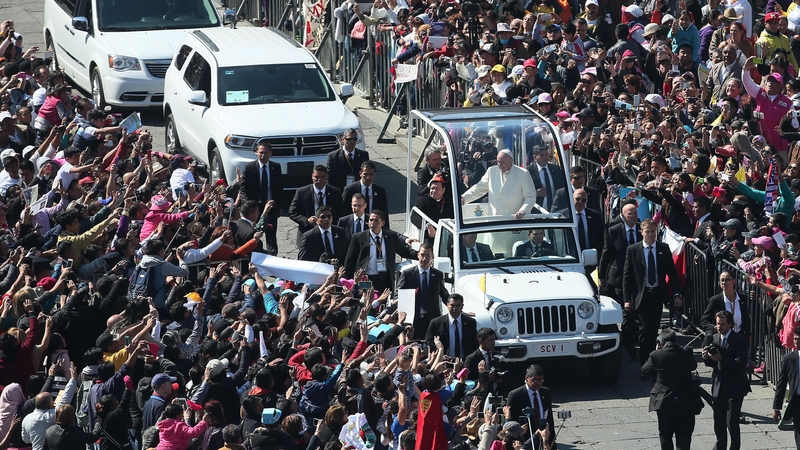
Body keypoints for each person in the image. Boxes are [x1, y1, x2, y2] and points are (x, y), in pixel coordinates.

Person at [622, 219, 682, 367]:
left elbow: (672, 273)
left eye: (653, 231)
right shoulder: (633, 250)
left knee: (653, 329)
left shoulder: (663, 248)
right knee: (644, 330)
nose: (650, 234)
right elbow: (627, 276)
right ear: (641, 232)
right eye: (647, 232)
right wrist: (627, 299)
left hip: (657, 294)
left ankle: (653, 361)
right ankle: (645, 364)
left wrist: (676, 294)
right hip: (641, 296)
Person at [641, 328, 698, 450]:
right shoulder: (686, 352)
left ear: (661, 343)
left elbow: (644, 371)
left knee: (666, 436)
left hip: (664, 401)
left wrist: (656, 352)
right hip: (685, 401)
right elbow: (693, 366)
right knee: (684, 437)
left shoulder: (656, 355)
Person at [702, 310, 751, 450]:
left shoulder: (739, 340)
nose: (719, 327)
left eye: (722, 324)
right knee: (718, 421)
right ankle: (720, 446)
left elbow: (740, 363)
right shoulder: (714, 339)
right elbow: (713, 364)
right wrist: (707, 358)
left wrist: (721, 359)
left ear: (730, 324)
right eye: (718, 324)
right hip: (719, 385)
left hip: (735, 386)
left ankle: (734, 447)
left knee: (732, 421)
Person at [344, 209, 417, 292]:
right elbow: (350, 260)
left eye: (376, 221)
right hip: (366, 278)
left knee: (383, 302)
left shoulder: (390, 237)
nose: (373, 223)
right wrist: (347, 279)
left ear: (383, 223)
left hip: (384, 278)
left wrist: (420, 255)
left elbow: (404, 251)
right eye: (371, 220)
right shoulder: (358, 237)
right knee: (365, 301)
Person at [461, 149, 536, 219]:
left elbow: (530, 196)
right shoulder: (491, 171)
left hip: (514, 219)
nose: (500, 165)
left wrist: (523, 210)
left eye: (503, 162)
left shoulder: (523, 173)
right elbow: (479, 188)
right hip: (495, 220)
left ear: (511, 160)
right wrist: (464, 198)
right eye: (498, 162)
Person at [396, 242, 449, 337]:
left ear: (432, 257)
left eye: (428, 255)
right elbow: (399, 295)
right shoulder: (407, 274)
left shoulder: (437, 275)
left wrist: (459, 311)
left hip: (431, 319)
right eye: (422, 255)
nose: (424, 259)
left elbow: (445, 295)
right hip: (413, 320)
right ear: (418, 255)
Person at [240, 141, 283, 255]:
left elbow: (279, 188)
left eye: (266, 153)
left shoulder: (276, 167)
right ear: (256, 153)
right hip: (255, 207)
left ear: (270, 153)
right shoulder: (250, 167)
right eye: (261, 153)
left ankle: (273, 260)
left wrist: (280, 206)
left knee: (271, 236)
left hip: (270, 206)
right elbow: (243, 188)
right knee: (253, 235)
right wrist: (247, 204)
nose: (263, 156)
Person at [288, 165, 344, 246]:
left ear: (327, 176)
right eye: (316, 177)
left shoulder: (335, 192)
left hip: (329, 234)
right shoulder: (302, 192)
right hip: (308, 234)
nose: (319, 180)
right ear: (312, 176)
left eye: (322, 177)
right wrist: (306, 221)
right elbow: (292, 212)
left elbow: (341, 213)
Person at [506, 364, 556, 449]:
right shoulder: (515, 395)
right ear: (526, 378)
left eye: (540, 380)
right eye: (534, 380)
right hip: (526, 440)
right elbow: (510, 421)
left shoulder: (546, 392)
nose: (537, 383)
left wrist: (551, 440)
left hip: (543, 436)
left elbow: (549, 417)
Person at [700, 271, 751, 342]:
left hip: (740, 338)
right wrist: (716, 327)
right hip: (722, 338)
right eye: (722, 280)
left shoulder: (743, 299)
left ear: (734, 281)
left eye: (728, 280)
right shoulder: (715, 300)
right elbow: (704, 321)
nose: (724, 282)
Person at [424, 293, 477, 359]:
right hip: (443, 362)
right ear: (447, 305)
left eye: (458, 305)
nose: (455, 308)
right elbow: (428, 344)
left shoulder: (470, 322)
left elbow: (475, 344)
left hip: (465, 362)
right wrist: (438, 356)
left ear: (462, 306)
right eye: (452, 305)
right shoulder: (436, 323)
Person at [772, 327, 800, 448]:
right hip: (797, 402)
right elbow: (781, 383)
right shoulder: (789, 359)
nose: (796, 342)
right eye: (795, 339)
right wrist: (776, 407)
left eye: (799, 339)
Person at [527, 147, 567, 212]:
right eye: (541, 155)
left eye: (546, 154)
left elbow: (562, 187)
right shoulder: (528, 171)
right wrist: (536, 193)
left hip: (556, 210)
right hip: (537, 210)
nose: (545, 157)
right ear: (534, 157)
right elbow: (523, 192)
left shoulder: (556, 169)